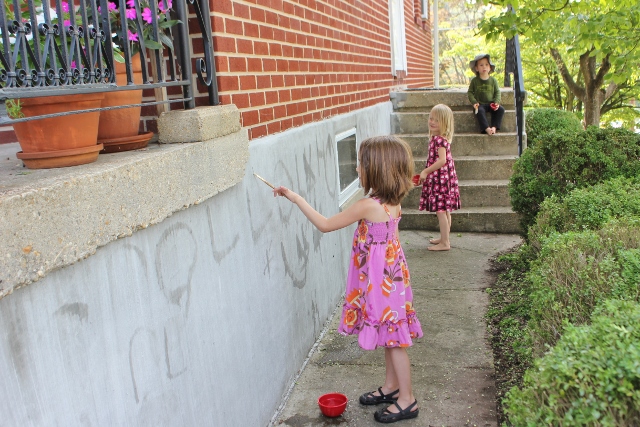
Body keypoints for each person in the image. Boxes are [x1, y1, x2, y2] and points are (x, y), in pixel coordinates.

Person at [273, 135, 423, 423]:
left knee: (395, 341)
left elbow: (326, 224)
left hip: (381, 284)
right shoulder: (393, 203)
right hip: (391, 281)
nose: (356, 168)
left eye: (360, 163)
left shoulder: (368, 206)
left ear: (376, 169)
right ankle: (391, 387)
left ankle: (407, 400)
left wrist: (296, 198)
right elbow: (394, 242)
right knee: (389, 334)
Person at [417, 104, 461, 251]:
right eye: (431, 118)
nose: (432, 122)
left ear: (445, 123)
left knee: (441, 211)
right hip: (443, 178)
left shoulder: (438, 140)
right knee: (445, 210)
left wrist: (425, 171)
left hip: (440, 180)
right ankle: (444, 238)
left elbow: (442, 161)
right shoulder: (439, 138)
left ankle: (445, 243)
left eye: (437, 120)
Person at [467, 53, 504, 135]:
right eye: (481, 65)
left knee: (501, 110)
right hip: (480, 104)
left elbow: (497, 92)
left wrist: (496, 102)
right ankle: (486, 128)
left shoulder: (493, 80)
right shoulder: (475, 81)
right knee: (479, 111)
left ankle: (494, 127)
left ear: (490, 67)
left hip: (491, 104)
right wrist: (474, 102)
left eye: (486, 65)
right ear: (476, 68)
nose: (484, 67)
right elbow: (470, 92)